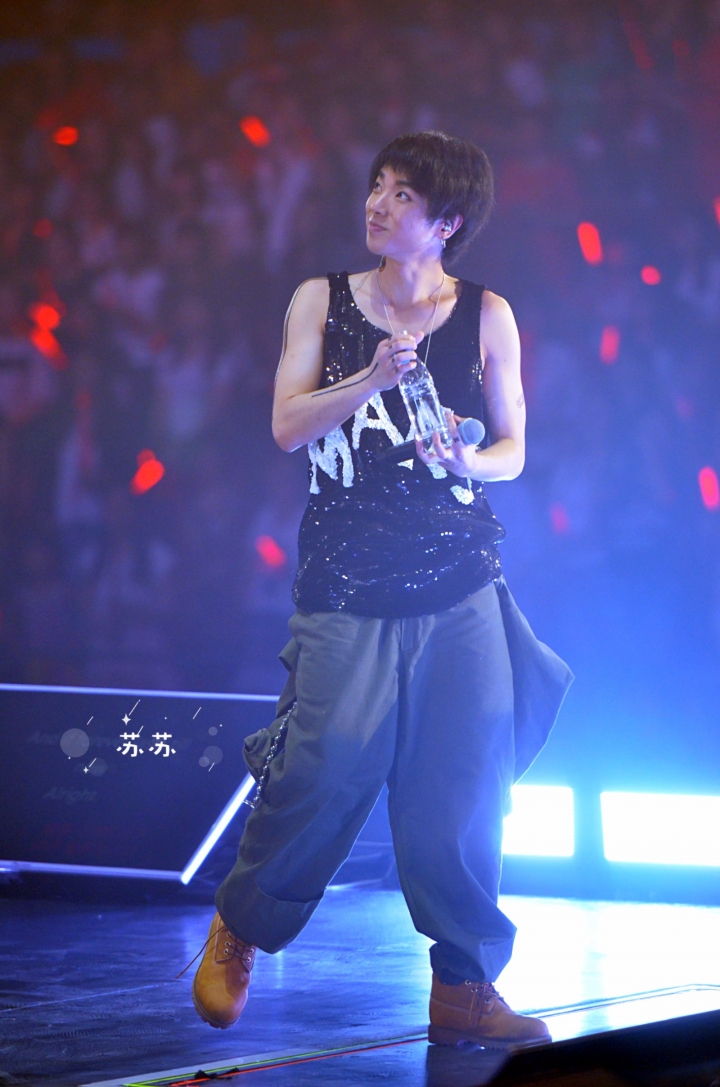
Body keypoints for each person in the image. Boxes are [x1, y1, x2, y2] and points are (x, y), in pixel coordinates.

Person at [190, 131, 573, 1048]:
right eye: (377, 185)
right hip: (348, 576)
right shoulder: (322, 300)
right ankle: (242, 925)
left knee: (465, 783)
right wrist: (368, 379)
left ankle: (465, 984)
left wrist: (468, 459)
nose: (377, 203)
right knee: (324, 763)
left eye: (403, 195)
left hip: (460, 576)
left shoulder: (487, 314)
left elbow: (514, 448)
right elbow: (287, 425)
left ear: (447, 223)